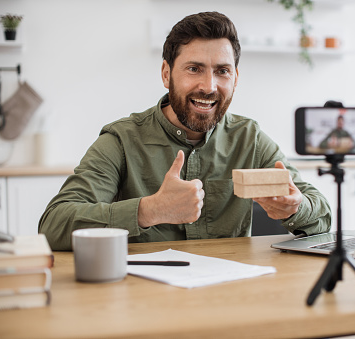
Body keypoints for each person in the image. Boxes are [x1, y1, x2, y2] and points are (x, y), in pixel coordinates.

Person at [38, 11, 331, 250]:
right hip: (146, 298)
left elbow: (321, 216)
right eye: (194, 68)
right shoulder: (122, 139)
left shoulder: (249, 138)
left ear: (236, 77)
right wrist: (150, 210)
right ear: (167, 74)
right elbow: (53, 225)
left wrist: (295, 207)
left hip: (230, 293)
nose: (209, 86)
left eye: (222, 71)